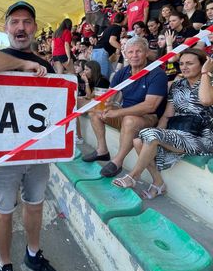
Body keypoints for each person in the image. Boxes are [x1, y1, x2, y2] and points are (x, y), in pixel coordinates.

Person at [0, 0, 60, 271]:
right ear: (6, 28)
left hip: (37, 152)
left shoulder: (47, 65)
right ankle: (5, 264)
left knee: (35, 206)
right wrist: (23, 64)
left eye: (26, 22)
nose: (21, 27)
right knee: (4, 211)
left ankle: (33, 255)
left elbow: (57, 105)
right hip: (5, 153)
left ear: (34, 28)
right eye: (15, 22)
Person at [112, 49, 213, 199]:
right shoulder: (178, 85)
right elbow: (167, 115)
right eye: (182, 63)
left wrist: (205, 73)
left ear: (203, 64)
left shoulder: (209, 82)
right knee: (139, 140)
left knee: (150, 135)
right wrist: (155, 136)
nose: (184, 67)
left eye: (190, 63)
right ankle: (158, 182)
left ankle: (133, 176)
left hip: (202, 138)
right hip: (179, 133)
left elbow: (206, 100)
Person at [82, 37, 168, 178]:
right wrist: (107, 105)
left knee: (129, 120)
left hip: (149, 118)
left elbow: (150, 106)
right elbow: (110, 95)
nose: (134, 55)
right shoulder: (123, 72)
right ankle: (102, 150)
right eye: (130, 52)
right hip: (126, 112)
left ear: (146, 52)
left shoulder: (157, 73)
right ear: (125, 55)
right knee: (95, 113)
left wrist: (118, 112)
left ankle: (118, 161)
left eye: (138, 51)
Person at [91, 13, 124, 78]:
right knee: (104, 77)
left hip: (96, 51)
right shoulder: (117, 27)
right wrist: (123, 48)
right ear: (123, 20)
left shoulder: (110, 27)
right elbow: (112, 41)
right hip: (101, 52)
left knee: (111, 75)